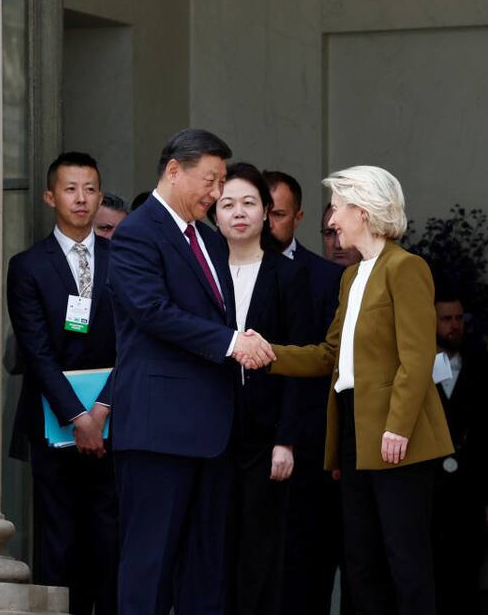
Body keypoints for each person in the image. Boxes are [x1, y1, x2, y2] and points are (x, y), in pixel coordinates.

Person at [247, 165, 453, 615]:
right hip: (355, 430)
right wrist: (267, 353)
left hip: (398, 434)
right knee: (361, 559)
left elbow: (416, 358)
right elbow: (328, 355)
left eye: (339, 208)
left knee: (405, 558)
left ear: (364, 210)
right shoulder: (351, 276)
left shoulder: (406, 267)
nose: (333, 220)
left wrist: (397, 427)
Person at [107, 128, 275, 615]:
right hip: (159, 428)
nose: (217, 193)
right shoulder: (137, 231)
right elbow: (152, 310)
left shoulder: (206, 236)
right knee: (150, 561)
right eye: (211, 179)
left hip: (212, 428)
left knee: (206, 565)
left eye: (222, 180)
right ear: (174, 170)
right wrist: (231, 343)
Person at [7, 152, 118, 614]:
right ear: (51, 195)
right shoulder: (28, 265)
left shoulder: (123, 260)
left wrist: (102, 410)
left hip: (115, 420)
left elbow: (135, 342)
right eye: (71, 189)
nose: (81, 199)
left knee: (110, 540)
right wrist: (78, 416)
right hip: (55, 422)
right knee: (57, 540)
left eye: (90, 189)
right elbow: (36, 352)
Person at [210, 163, 311, 615]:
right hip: (207, 431)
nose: (238, 213)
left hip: (265, 433)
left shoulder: (288, 276)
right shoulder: (202, 272)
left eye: (249, 203)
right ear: (214, 213)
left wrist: (286, 439)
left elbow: (298, 361)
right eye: (227, 204)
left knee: (260, 548)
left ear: (267, 212)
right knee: (210, 546)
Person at [263, 169, 353, 614]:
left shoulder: (328, 277)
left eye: (276, 214)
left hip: (311, 445)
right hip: (241, 442)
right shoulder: (221, 270)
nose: (265, 223)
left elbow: (332, 365)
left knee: (308, 564)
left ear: (297, 217)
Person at [428, 292, 488, 614]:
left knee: (467, 579)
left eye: (458, 319)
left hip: (469, 491)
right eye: (446, 319)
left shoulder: (481, 367)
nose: (454, 326)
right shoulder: (414, 367)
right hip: (428, 492)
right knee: (429, 579)